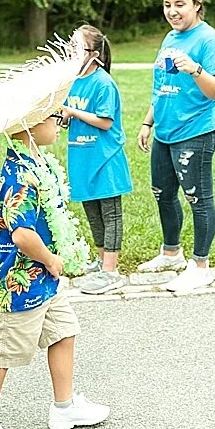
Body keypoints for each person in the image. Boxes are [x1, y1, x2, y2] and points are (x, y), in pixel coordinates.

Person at [0, 103, 109, 429]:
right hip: (16, 283)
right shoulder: (20, 175)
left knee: (63, 331)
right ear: (30, 125)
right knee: (2, 354)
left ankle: (64, 406)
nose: (62, 122)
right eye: (55, 118)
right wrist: (52, 259)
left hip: (40, 279)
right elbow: (21, 236)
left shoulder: (37, 163)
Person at [134, 0, 215, 295]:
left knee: (198, 198)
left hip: (196, 131)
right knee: (162, 193)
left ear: (197, 5)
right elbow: (161, 86)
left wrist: (196, 70)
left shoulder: (208, 41)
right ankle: (171, 253)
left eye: (180, 5)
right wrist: (148, 122)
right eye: (167, 5)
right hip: (165, 130)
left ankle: (200, 266)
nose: (173, 11)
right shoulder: (170, 37)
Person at [61, 24, 129, 294]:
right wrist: (64, 116)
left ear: (94, 53)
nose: (72, 53)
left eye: (77, 49)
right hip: (82, 156)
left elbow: (104, 121)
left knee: (110, 214)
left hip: (105, 158)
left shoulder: (103, 83)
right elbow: (71, 114)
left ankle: (111, 271)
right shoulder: (74, 81)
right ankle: (101, 261)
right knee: (92, 211)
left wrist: (72, 111)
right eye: (71, 48)